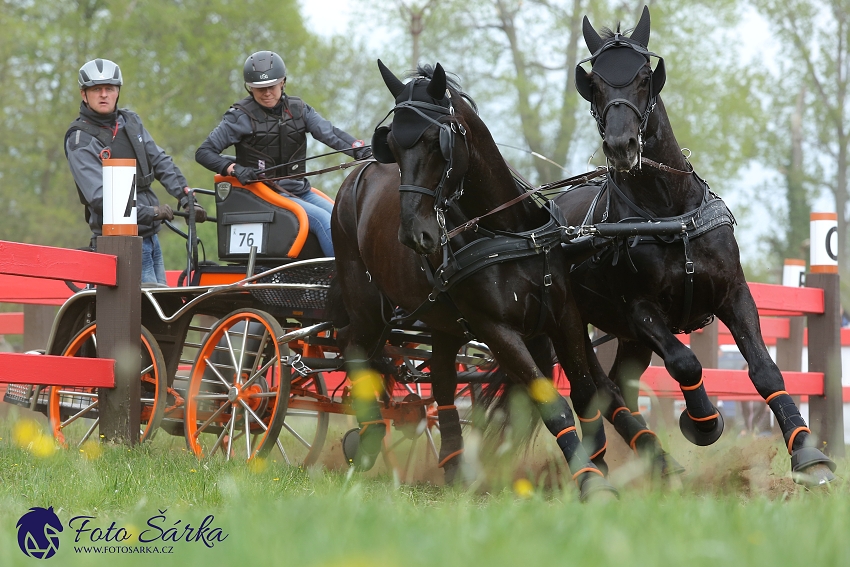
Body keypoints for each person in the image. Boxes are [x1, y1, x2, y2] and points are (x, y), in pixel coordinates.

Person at [195, 50, 371, 256]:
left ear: (282, 82)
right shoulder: (239, 117)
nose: (266, 93)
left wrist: (359, 150)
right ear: (250, 88)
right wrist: (234, 169)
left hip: (300, 190)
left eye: (271, 86)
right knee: (325, 222)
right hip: (263, 194)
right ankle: (341, 281)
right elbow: (204, 152)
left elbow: (329, 133)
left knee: (342, 219)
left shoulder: (299, 109)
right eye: (259, 88)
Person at [65, 58, 206, 286]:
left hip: (151, 239)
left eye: (109, 89)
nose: (103, 95)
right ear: (84, 94)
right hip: (118, 245)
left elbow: (160, 161)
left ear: (117, 92)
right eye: (96, 90)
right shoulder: (80, 140)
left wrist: (186, 197)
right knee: (140, 316)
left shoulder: (130, 122)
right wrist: (150, 212)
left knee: (161, 314)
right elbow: (100, 198)